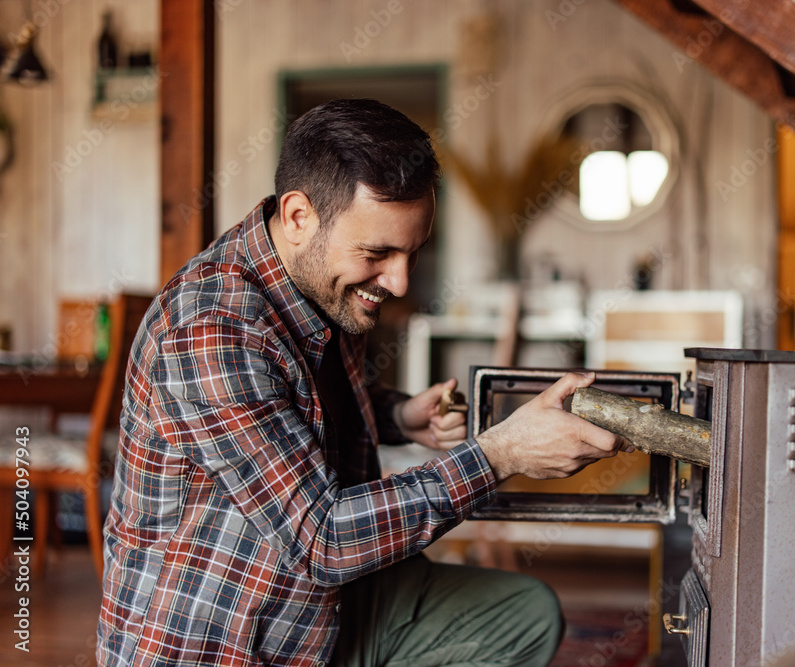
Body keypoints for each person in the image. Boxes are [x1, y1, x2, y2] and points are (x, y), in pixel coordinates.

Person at [97, 98, 629, 667]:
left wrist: (399, 417)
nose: (398, 282)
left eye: (412, 253)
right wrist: (499, 453)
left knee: (523, 617)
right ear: (300, 216)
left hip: (323, 604)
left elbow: (288, 406)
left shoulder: (320, 281)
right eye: (379, 253)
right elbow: (323, 539)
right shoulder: (212, 328)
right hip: (228, 641)